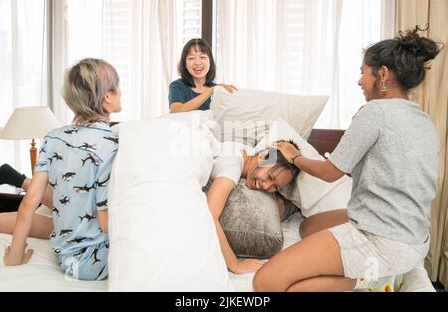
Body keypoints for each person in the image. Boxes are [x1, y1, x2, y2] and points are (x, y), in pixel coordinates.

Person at [253, 26, 443, 291]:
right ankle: (372, 271)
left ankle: (365, 277)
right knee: (308, 227)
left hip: (382, 241)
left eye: (363, 72)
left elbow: (331, 172)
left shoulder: (375, 111)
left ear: (384, 74)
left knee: (265, 282)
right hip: (415, 241)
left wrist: (294, 157)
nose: (359, 80)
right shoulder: (423, 121)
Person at [2, 58, 121, 281]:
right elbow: (105, 222)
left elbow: (29, 202)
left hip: (65, 258)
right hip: (92, 267)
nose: (121, 93)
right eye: (118, 88)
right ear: (107, 97)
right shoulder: (111, 143)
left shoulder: (53, 137)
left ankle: (17, 179)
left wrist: (15, 257)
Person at [206, 140, 300, 274]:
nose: (267, 186)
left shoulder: (246, 152)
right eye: (270, 176)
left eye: (275, 187)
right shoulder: (231, 167)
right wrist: (235, 265)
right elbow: (210, 215)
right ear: (262, 156)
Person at [169, 38, 237, 113]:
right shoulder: (177, 86)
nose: (197, 62)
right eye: (191, 58)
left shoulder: (218, 90)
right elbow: (176, 111)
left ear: (210, 61)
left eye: (202, 57)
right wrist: (210, 91)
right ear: (185, 64)